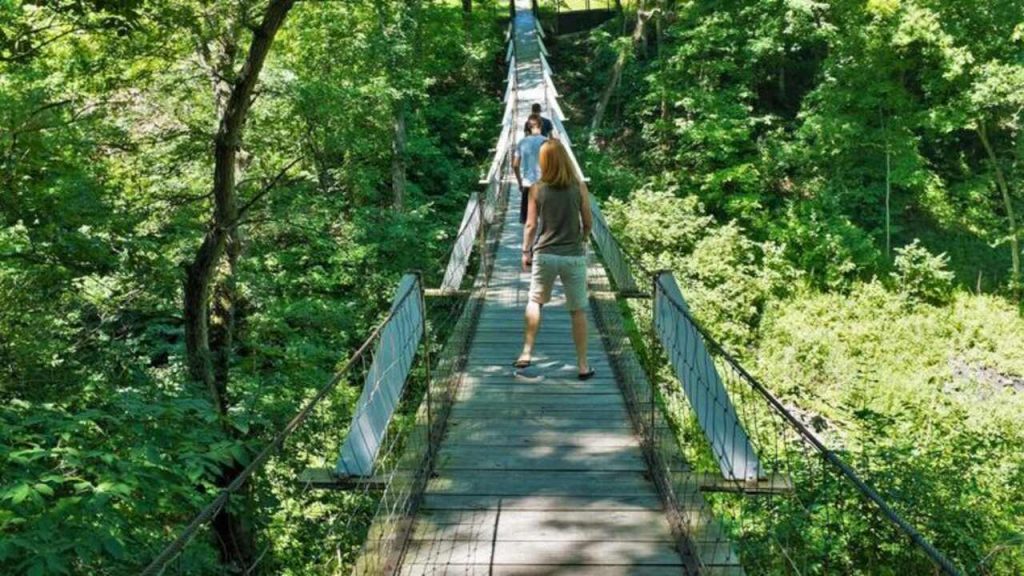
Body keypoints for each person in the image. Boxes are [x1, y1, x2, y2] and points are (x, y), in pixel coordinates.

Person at [515, 139, 595, 380]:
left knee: (535, 301)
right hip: (573, 257)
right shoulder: (578, 186)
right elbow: (588, 222)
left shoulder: (537, 188)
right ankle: (582, 365)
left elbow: (530, 224)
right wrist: (581, 238)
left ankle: (526, 353)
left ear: (544, 161)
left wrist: (525, 251)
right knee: (578, 310)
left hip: (545, 255)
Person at [513, 117, 547, 224]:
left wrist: (520, 183)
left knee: (529, 221)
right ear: (541, 126)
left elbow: (515, 165)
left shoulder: (522, 142)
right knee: (546, 219)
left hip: (528, 184)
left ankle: (529, 240)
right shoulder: (547, 142)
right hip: (545, 184)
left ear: (528, 127)